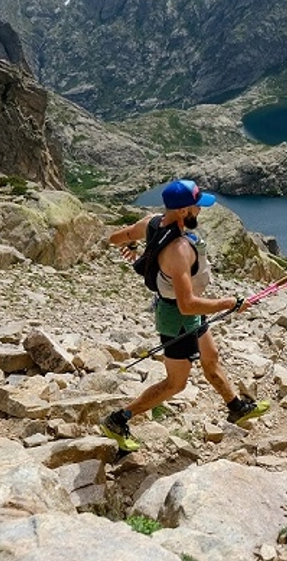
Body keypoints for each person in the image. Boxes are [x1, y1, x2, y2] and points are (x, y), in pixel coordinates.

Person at [100, 179, 270, 452]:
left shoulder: (151, 221)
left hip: (186, 314)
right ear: (182, 211)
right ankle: (118, 419)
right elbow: (187, 305)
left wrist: (132, 248)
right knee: (175, 383)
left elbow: (115, 238)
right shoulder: (179, 251)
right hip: (177, 319)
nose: (199, 211)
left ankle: (236, 407)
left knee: (210, 358)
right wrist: (230, 303)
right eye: (196, 207)